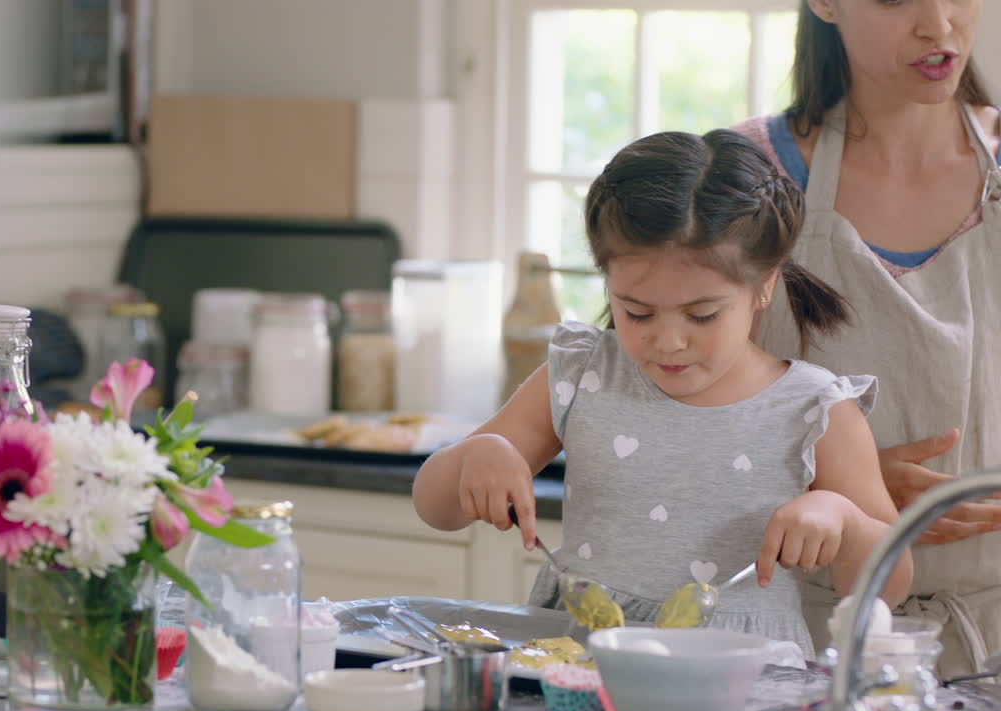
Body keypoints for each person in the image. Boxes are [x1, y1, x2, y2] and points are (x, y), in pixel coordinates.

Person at [411, 129, 913, 661]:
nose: (668, 341)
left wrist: (843, 519)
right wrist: (478, 457)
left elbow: (891, 586)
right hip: (581, 663)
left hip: (744, 683)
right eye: (637, 312)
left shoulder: (815, 411)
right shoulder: (581, 374)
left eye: (702, 315)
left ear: (764, 284)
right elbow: (433, 508)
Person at [733, 0, 1000, 675]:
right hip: (800, 641)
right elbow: (650, 418)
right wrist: (842, 478)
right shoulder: (746, 176)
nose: (937, 25)